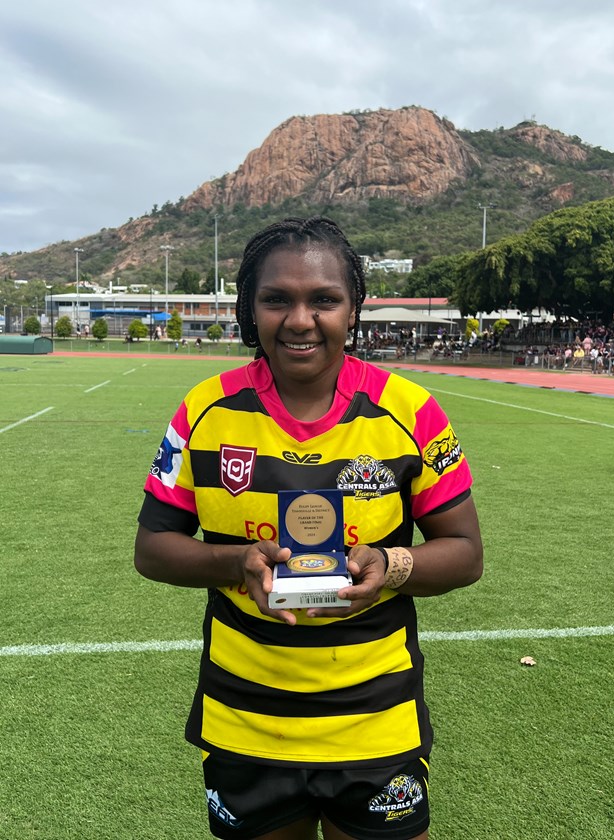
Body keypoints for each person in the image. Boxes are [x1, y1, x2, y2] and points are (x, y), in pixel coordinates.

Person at [134, 217, 483, 840]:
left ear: (353, 310)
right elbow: (152, 549)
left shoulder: (411, 412)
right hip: (246, 715)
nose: (300, 320)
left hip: (376, 715)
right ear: (251, 309)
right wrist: (234, 562)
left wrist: (391, 566)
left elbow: (464, 553)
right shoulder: (203, 411)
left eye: (324, 299)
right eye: (277, 299)